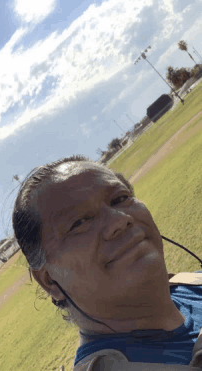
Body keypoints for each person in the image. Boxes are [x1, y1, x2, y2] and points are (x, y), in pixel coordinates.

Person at [12, 155, 202, 369]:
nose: (119, 220)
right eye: (79, 222)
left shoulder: (189, 285)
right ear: (49, 281)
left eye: (119, 199)